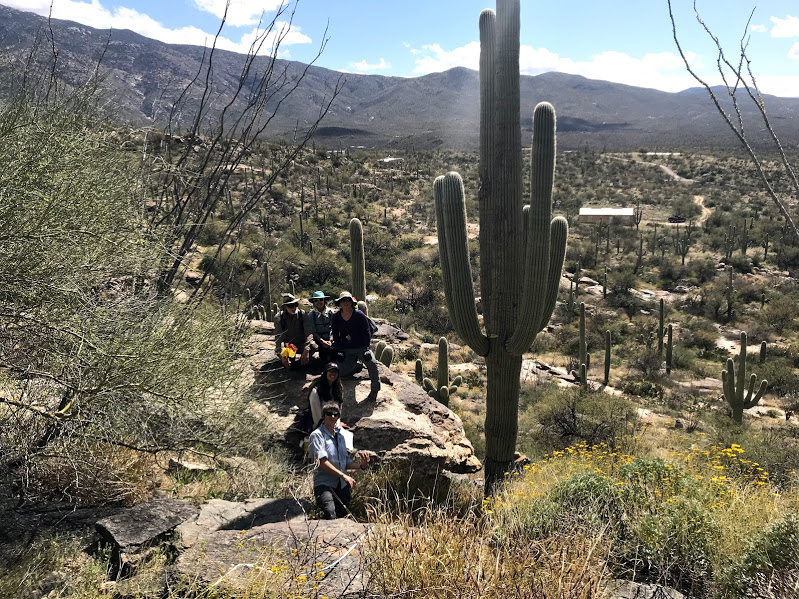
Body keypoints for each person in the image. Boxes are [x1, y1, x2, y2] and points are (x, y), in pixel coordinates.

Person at [308, 402, 370, 520]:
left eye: (335, 414)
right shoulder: (317, 435)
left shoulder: (340, 437)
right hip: (324, 484)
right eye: (329, 414)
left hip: (341, 485)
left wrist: (361, 466)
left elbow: (345, 462)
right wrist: (344, 475)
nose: (332, 417)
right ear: (323, 416)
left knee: (344, 517)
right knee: (329, 514)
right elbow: (322, 462)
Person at [331, 291, 380, 399]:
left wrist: (366, 348)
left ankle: (374, 391)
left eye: (348, 300)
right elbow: (335, 334)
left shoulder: (359, 315)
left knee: (372, 364)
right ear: (340, 303)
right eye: (343, 300)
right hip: (346, 348)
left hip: (361, 347)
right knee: (341, 372)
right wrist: (339, 350)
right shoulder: (336, 317)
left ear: (352, 302)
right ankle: (357, 365)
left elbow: (366, 332)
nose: (345, 302)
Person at [274, 293, 312, 369]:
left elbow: (309, 333)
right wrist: (282, 355)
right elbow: (279, 337)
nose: (294, 307)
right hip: (289, 346)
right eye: (291, 306)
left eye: (295, 304)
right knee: (286, 355)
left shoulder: (303, 314)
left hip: (301, 344)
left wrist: (306, 349)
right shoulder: (279, 317)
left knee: (313, 347)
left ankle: (302, 362)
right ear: (285, 307)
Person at [309, 362, 343, 427]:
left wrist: (337, 424)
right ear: (325, 373)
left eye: (335, 372)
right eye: (331, 371)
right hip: (320, 426)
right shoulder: (316, 391)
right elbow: (316, 414)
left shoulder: (338, 388)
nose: (333, 374)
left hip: (335, 425)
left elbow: (339, 409)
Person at [309, 290, 334, 366]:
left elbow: (334, 328)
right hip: (318, 340)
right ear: (313, 302)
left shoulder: (330, 313)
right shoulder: (311, 315)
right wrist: (322, 342)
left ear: (324, 300)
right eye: (316, 300)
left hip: (330, 339)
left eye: (321, 299)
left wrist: (330, 340)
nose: (318, 302)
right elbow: (313, 331)